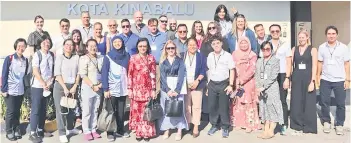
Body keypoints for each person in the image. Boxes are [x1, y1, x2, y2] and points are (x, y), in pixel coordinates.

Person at [317, 26, 350, 135]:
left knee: (340, 104)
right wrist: (318, 76)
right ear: (326, 35)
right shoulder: (322, 47)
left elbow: (346, 64)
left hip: (340, 80)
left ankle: (339, 124)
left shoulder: (344, 47)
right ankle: (326, 121)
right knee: (324, 102)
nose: (331, 35)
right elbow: (320, 63)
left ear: (337, 35)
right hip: (325, 79)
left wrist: (348, 79)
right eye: (329, 33)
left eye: (333, 33)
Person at [127, 38, 157, 142]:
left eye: (144, 46)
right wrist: (129, 89)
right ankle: (139, 132)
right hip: (136, 89)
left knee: (146, 111)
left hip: (148, 89)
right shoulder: (133, 58)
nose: (142, 48)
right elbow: (130, 74)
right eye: (140, 46)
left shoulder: (151, 58)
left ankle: (147, 132)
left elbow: (153, 75)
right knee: (137, 112)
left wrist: (153, 89)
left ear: (147, 47)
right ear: (137, 47)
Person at [102, 36, 131, 141]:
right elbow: (104, 73)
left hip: (123, 87)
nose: (117, 43)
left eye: (119, 41)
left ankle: (120, 129)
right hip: (111, 88)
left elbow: (129, 71)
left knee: (121, 111)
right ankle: (109, 132)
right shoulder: (108, 56)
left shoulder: (127, 55)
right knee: (110, 110)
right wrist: (105, 89)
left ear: (122, 43)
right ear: (112, 44)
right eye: (115, 42)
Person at [52, 39, 81, 143]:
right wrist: (64, 87)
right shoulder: (59, 57)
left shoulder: (76, 57)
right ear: (63, 46)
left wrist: (75, 86)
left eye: (71, 44)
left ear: (73, 47)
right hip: (60, 86)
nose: (69, 46)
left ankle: (70, 128)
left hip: (72, 86)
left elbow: (79, 73)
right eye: (67, 44)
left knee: (71, 109)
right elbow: (57, 73)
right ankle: (62, 133)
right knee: (61, 111)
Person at [289, 30, 318, 135]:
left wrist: (313, 81)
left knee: (308, 101)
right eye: (299, 37)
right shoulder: (294, 49)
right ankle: (297, 125)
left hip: (308, 78)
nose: (301, 39)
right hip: (296, 78)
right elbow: (291, 64)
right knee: (296, 101)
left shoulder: (313, 49)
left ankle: (309, 126)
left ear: (307, 37)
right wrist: (289, 78)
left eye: (303, 37)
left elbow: (315, 65)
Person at [159, 40, 188, 141]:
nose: (171, 50)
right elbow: (162, 77)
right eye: (168, 48)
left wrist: (177, 90)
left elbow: (181, 76)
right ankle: (167, 129)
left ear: (175, 49)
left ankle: (179, 130)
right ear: (166, 50)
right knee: (166, 108)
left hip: (177, 86)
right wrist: (167, 90)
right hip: (166, 88)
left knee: (178, 108)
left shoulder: (180, 61)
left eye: (172, 48)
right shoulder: (163, 62)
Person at [206, 36, 234, 138]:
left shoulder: (228, 55)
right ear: (211, 46)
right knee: (212, 106)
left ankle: (225, 127)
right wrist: (208, 86)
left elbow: (232, 70)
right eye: (213, 44)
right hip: (212, 84)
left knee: (223, 106)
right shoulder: (209, 56)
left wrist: (231, 85)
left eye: (217, 43)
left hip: (224, 84)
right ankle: (214, 125)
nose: (216, 45)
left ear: (221, 43)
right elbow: (209, 70)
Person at [1, 38, 29, 141]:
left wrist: (26, 89)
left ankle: (17, 129)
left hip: (20, 90)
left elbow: (25, 75)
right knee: (11, 112)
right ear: (16, 46)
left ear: (25, 47)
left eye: (23, 46)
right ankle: (9, 130)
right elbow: (4, 74)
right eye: (19, 46)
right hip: (10, 90)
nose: (21, 48)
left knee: (17, 111)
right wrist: (3, 89)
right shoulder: (10, 58)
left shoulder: (25, 60)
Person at [255, 41, 284, 139]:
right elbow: (257, 75)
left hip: (271, 88)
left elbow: (273, 76)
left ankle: (271, 131)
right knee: (264, 109)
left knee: (273, 109)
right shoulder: (259, 61)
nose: (265, 51)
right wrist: (258, 87)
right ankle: (266, 130)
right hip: (261, 89)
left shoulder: (275, 60)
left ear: (271, 49)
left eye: (268, 49)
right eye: (263, 49)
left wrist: (264, 86)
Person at [29, 35, 55, 143]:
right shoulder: (37, 54)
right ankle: (32, 133)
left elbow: (52, 71)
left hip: (47, 86)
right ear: (40, 44)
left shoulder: (51, 55)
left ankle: (40, 130)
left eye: (48, 42)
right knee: (36, 110)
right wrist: (43, 83)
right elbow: (35, 71)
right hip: (38, 86)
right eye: (44, 42)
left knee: (43, 109)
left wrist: (49, 83)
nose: (46, 44)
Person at [231, 37, 260, 133]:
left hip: (248, 82)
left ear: (249, 44)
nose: (243, 45)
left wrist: (242, 80)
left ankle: (250, 123)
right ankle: (239, 122)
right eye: (241, 43)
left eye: (245, 43)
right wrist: (236, 80)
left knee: (248, 102)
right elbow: (232, 67)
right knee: (238, 102)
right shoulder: (234, 54)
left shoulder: (252, 55)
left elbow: (252, 69)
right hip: (237, 80)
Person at [269, 24, 292, 135]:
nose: (275, 33)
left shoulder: (285, 45)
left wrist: (287, 78)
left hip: (282, 74)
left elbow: (289, 62)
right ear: (270, 32)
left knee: (282, 100)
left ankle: (283, 124)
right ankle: (272, 124)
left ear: (280, 31)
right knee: (270, 100)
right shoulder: (266, 44)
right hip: (270, 76)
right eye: (273, 31)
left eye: (277, 31)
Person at [79, 39, 103, 141]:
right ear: (87, 48)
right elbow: (83, 75)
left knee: (95, 109)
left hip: (99, 87)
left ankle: (93, 129)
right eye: (91, 46)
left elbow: (103, 72)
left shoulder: (101, 58)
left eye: (95, 46)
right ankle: (87, 130)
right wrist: (92, 86)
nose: (93, 48)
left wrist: (101, 84)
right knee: (87, 110)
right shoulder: (84, 58)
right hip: (88, 87)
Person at [182, 38, 206, 138]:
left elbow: (203, 70)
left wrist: (197, 81)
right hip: (185, 85)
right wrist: (185, 83)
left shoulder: (201, 56)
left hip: (197, 85)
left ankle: (195, 126)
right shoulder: (182, 55)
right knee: (187, 107)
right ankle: (187, 124)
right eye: (190, 45)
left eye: (194, 45)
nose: (192, 47)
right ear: (187, 46)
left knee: (196, 107)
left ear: (197, 46)